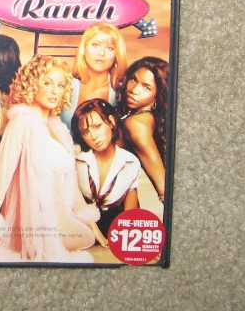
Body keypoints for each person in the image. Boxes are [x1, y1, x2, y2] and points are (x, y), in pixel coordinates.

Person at [0, 57, 99, 263]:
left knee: (86, 238)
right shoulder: (21, 123)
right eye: (47, 83)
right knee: (52, 249)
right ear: (32, 84)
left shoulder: (58, 129)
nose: (55, 91)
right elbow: (0, 176)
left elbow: (71, 183)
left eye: (60, 85)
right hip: (31, 220)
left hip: (57, 217)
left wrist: (92, 224)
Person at [72, 99, 141, 244]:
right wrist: (98, 235)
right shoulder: (77, 161)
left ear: (111, 122)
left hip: (113, 224)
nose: (93, 136)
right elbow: (74, 202)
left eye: (97, 126)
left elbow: (130, 209)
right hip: (82, 224)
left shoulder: (130, 162)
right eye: (85, 132)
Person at [117, 56, 171, 203]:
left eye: (146, 87)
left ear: (158, 94)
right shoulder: (146, 118)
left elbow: (164, 188)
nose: (134, 90)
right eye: (133, 80)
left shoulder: (137, 124)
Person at [59, 23, 128, 128]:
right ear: (83, 49)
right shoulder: (65, 85)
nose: (101, 53)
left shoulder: (122, 93)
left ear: (117, 55)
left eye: (110, 48)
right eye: (95, 45)